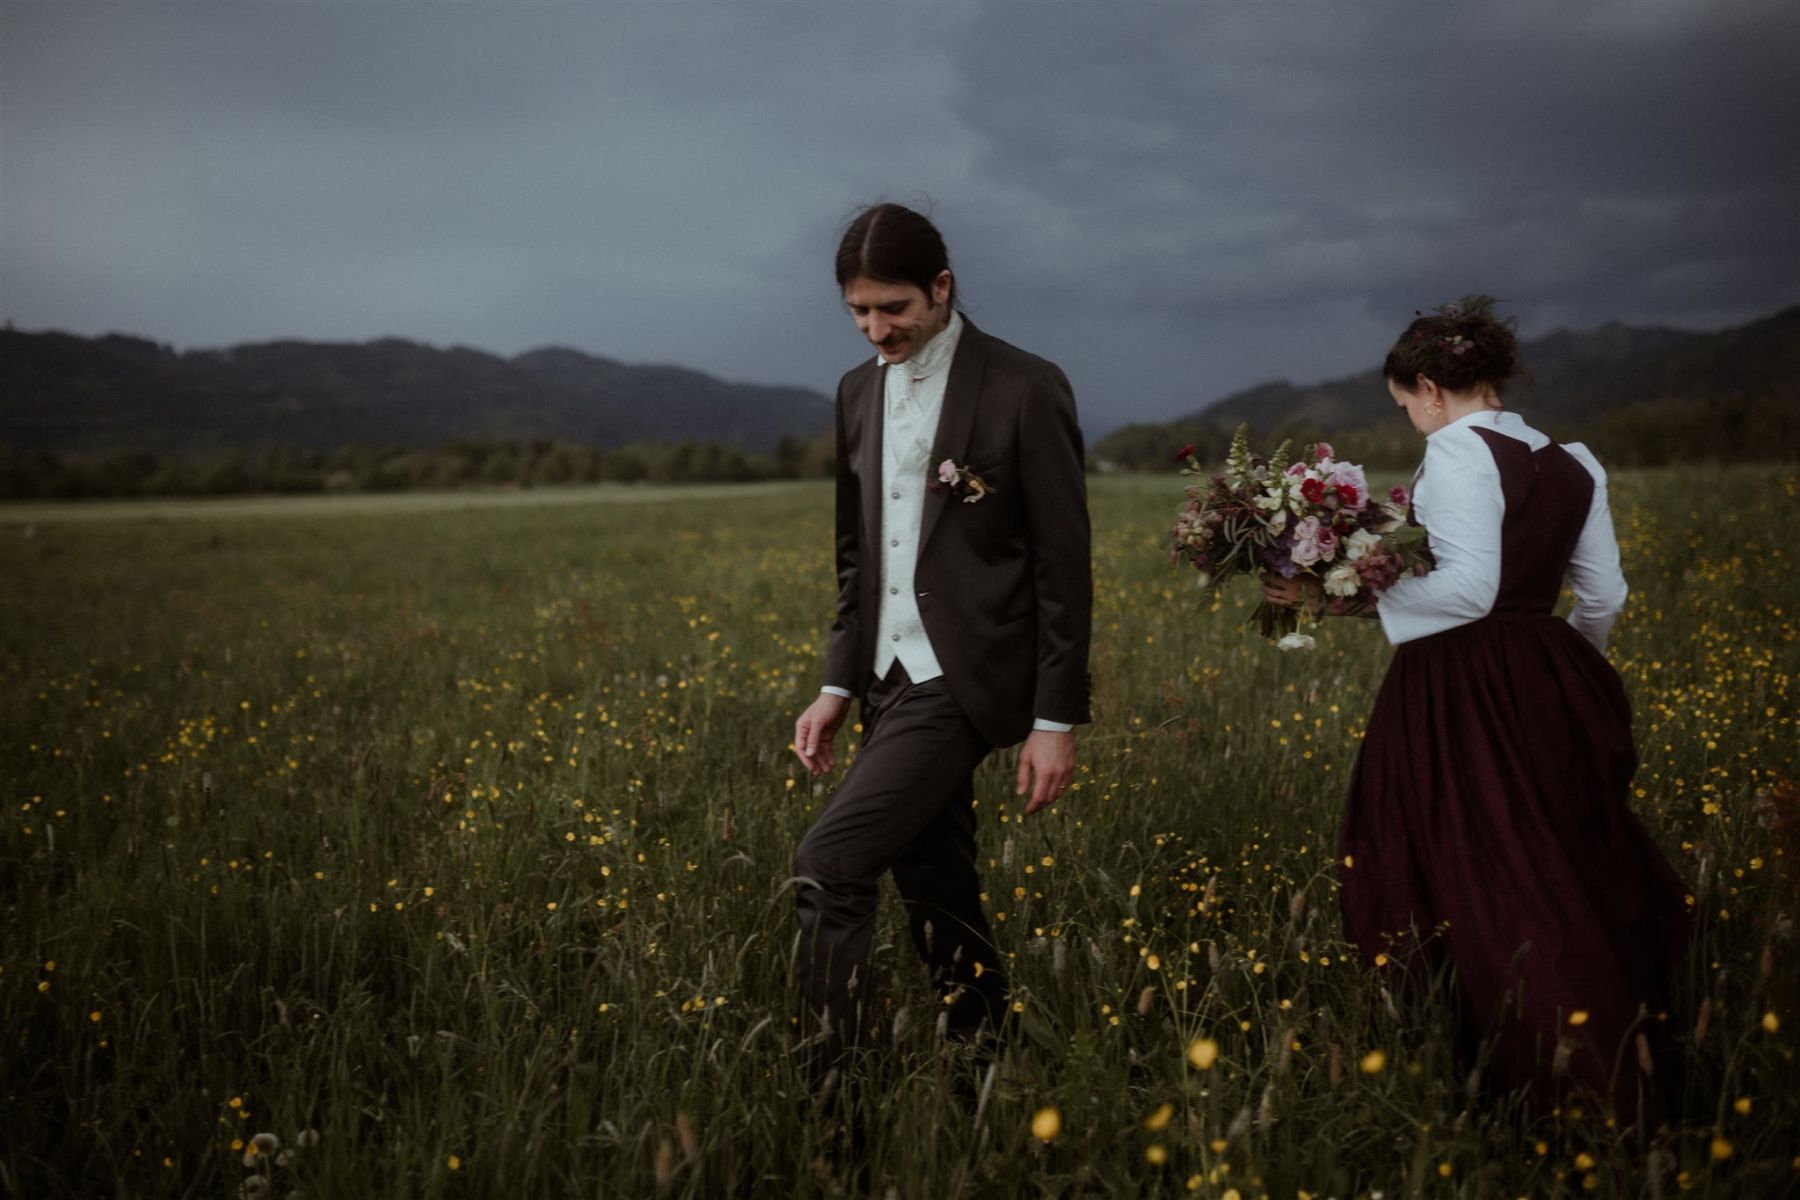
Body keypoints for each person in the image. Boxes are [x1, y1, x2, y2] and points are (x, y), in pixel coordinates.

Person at [1262, 296, 1690, 1127]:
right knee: (1555, 859)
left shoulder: (1458, 451)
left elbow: (1468, 588)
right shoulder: (1575, 461)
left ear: (1430, 387)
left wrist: (1334, 600)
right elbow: (1604, 595)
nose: (1414, 422)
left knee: (1478, 867)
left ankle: (1551, 1077)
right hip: (1545, 674)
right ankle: (1611, 1040)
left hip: (1459, 686)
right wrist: (1564, 670)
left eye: (1405, 407)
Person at [789, 203, 1092, 1099]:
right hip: (882, 678)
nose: (877, 329)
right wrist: (837, 683)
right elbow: (860, 557)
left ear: (942, 289)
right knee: (935, 883)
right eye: (858, 313)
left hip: (964, 679)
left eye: (893, 309)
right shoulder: (854, 392)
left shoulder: (1025, 387)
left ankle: (833, 1101)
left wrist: (1054, 718)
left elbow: (1063, 570)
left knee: (831, 861)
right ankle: (986, 1068)